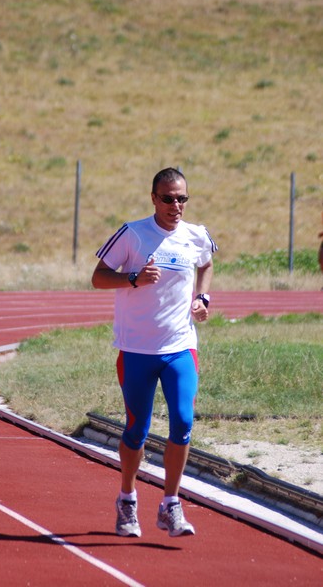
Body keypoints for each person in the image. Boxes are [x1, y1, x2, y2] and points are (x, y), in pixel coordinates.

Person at [91, 167, 218, 538]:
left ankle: (170, 505)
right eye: (168, 198)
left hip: (180, 346)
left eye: (182, 198)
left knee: (182, 422)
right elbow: (98, 276)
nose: (175, 205)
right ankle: (128, 498)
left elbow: (207, 262)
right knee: (137, 430)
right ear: (153, 198)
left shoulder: (196, 235)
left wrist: (203, 296)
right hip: (137, 350)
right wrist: (132, 278)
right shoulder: (133, 234)